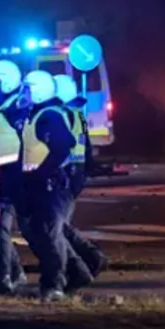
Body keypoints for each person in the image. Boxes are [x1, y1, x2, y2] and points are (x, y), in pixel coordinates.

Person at [19, 70, 80, 301]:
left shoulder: (49, 116)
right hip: (40, 184)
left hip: (50, 186)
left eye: (27, 89)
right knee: (43, 234)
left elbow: (64, 145)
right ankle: (73, 275)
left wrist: (42, 172)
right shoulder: (38, 114)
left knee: (50, 235)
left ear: (38, 91)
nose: (24, 94)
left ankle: (54, 286)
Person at [53, 75, 109, 279]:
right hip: (75, 173)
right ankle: (87, 260)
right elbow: (87, 149)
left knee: (58, 226)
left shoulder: (63, 116)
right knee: (59, 225)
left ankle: (90, 259)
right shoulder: (77, 115)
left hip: (66, 174)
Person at [0, 60, 28, 294]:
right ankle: (16, 273)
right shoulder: (1, 105)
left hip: (10, 176)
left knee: (0, 228)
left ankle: (2, 280)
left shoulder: (16, 107)